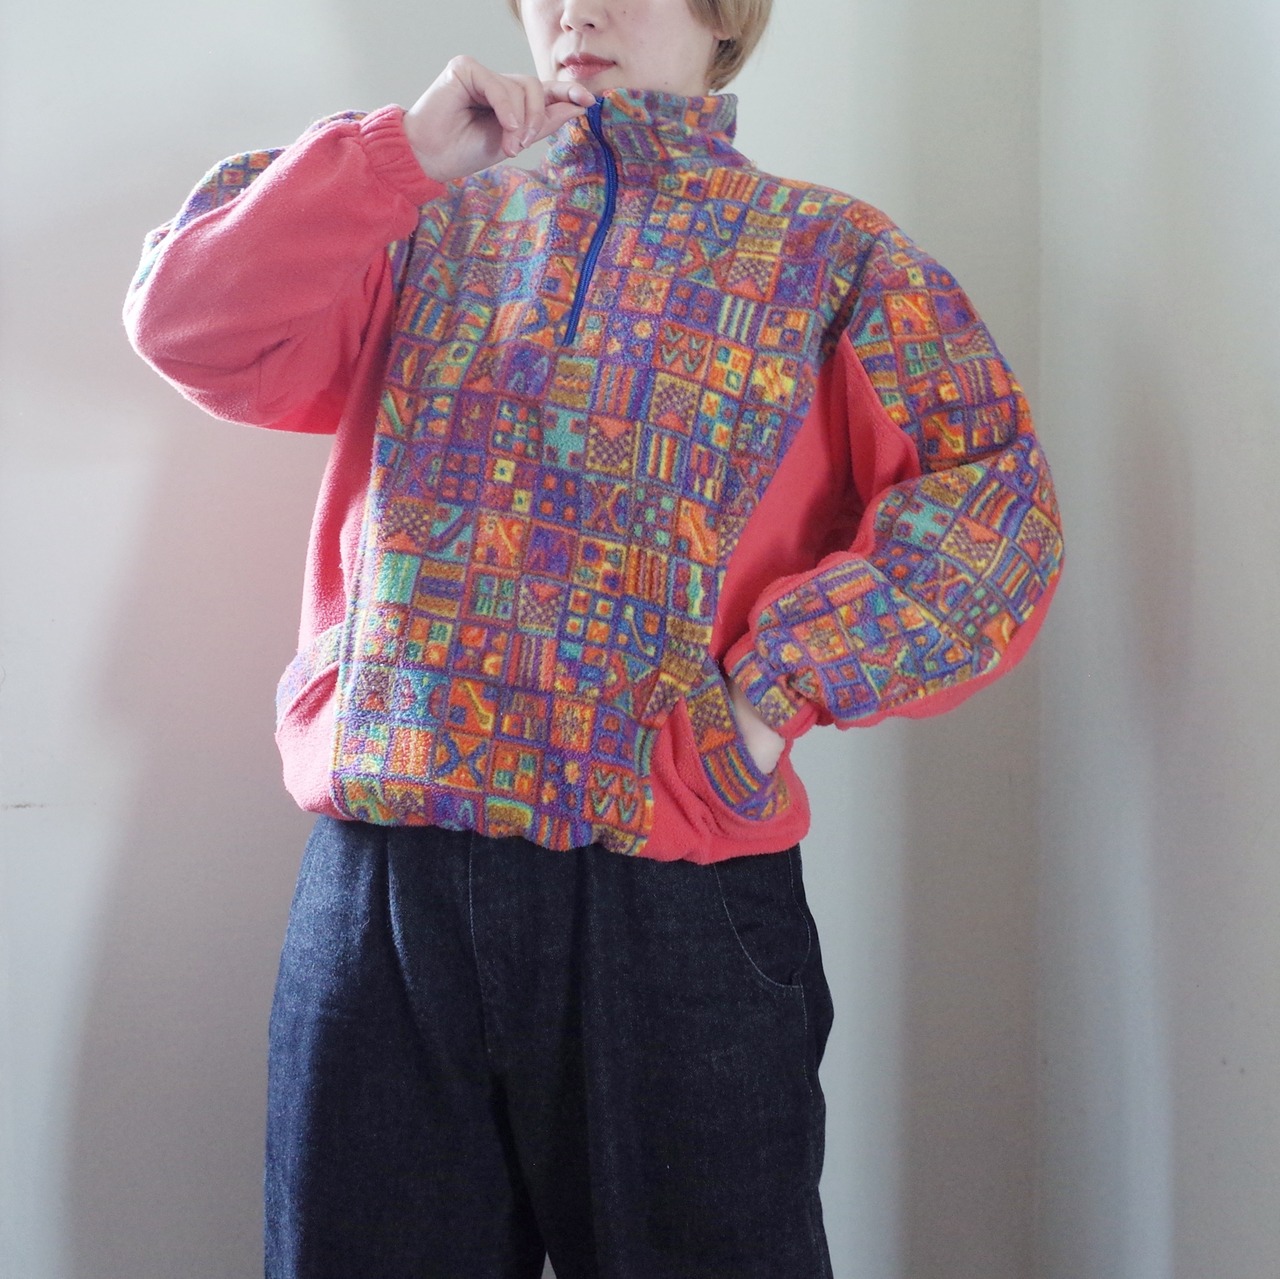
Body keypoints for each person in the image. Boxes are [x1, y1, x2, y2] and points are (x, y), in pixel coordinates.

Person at [125, 0, 1064, 1273]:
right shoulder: (416, 221)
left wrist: (767, 695)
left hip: (669, 911)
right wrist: (403, 156)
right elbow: (189, 321)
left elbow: (993, 503)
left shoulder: (827, 257)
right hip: (386, 885)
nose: (577, 8)